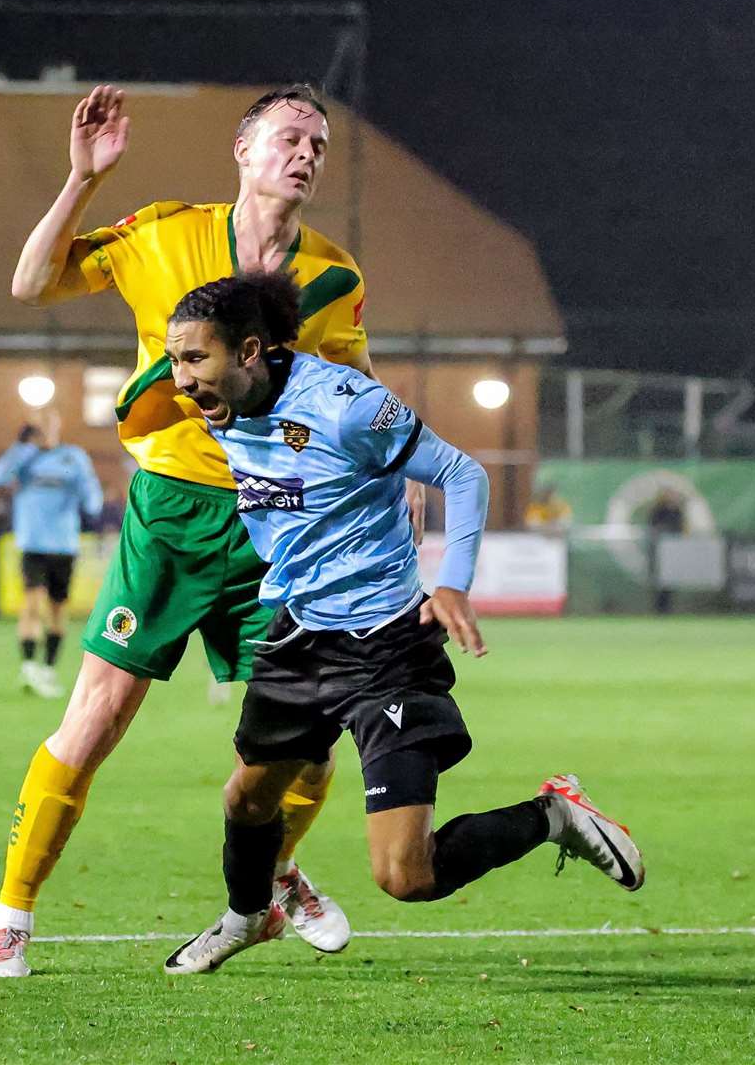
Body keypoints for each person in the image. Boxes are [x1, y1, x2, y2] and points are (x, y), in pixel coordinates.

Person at [0, 82, 425, 977]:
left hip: (280, 525)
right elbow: (30, 284)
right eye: (289, 137)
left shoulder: (334, 276)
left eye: (319, 145)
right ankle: (11, 916)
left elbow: (359, 390)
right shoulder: (164, 234)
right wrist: (81, 181)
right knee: (96, 716)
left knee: (305, 737)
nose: (305, 154)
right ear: (243, 149)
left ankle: (275, 875)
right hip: (173, 512)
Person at [158, 274, 644, 973]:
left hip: (384, 646)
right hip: (299, 632)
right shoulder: (215, 391)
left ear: (250, 352)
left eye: (194, 361)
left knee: (405, 877)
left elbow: (463, 473)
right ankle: (245, 917)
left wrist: (452, 582)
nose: (181, 378)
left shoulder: (342, 407)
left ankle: (554, 815)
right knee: (247, 796)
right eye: (174, 360)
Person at [0, 410, 103, 699]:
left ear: (58, 426)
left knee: (56, 610)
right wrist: (22, 445)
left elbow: (91, 495)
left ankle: (48, 669)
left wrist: (90, 501)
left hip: (64, 544)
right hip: (33, 542)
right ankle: (28, 667)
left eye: (49, 425)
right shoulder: (25, 458)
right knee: (31, 602)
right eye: (39, 427)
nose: (45, 431)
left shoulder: (73, 457)